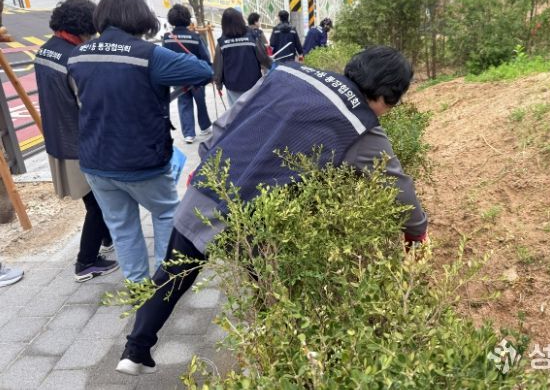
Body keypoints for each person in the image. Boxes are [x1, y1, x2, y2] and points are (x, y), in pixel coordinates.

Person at [116, 46, 428, 375]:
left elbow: (228, 121)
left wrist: (206, 164)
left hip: (208, 190)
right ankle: (282, 364)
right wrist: (417, 231)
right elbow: (398, 186)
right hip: (257, 220)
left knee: (172, 274)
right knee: (276, 293)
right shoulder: (360, 126)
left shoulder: (287, 73)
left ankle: (134, 352)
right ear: (387, 96)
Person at [68, 0, 214, 283]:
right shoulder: (149, 55)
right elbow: (203, 71)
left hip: (96, 160)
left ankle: (137, 287)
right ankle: (164, 282)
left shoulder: (77, 56)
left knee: (121, 226)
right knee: (165, 213)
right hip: (141, 160)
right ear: (139, 18)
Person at [34, 0, 118, 282]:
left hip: (58, 136)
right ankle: (86, 262)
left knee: (91, 197)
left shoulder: (46, 50)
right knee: (98, 202)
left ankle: (107, 236)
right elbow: (89, 105)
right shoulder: (74, 59)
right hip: (80, 142)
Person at [162, 5, 212, 144]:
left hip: (178, 77)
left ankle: (189, 133)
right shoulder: (195, 37)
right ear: (188, 19)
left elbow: (164, 58)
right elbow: (205, 57)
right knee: (200, 101)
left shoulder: (167, 38)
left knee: (184, 103)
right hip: (196, 77)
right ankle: (204, 127)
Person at [214, 8, 272, 107]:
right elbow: (263, 58)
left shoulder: (222, 43)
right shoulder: (252, 38)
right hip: (253, 84)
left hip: (233, 86)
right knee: (253, 110)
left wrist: (218, 84)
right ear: (241, 20)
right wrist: (273, 66)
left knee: (236, 112)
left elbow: (218, 66)